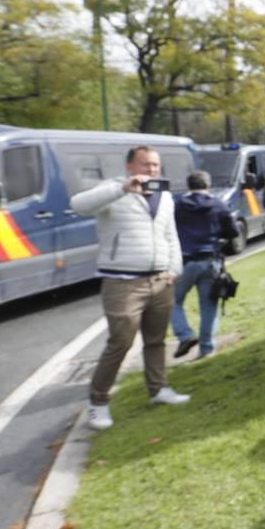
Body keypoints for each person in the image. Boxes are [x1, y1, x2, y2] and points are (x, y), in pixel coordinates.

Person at [74, 146, 189, 431]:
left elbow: (170, 235)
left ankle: (159, 388)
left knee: (156, 339)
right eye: (145, 164)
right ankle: (98, 402)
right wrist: (123, 189)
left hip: (159, 280)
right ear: (129, 166)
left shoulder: (164, 196)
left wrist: (173, 269)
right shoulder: (113, 190)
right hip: (122, 282)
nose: (152, 170)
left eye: (155, 165)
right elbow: (79, 204)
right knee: (121, 342)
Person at [171, 170, 239, 360]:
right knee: (208, 306)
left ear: (189, 186)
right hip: (210, 260)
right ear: (208, 185)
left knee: (171, 301)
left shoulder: (178, 206)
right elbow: (233, 232)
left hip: (184, 261)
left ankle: (185, 335)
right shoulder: (218, 204)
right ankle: (206, 348)